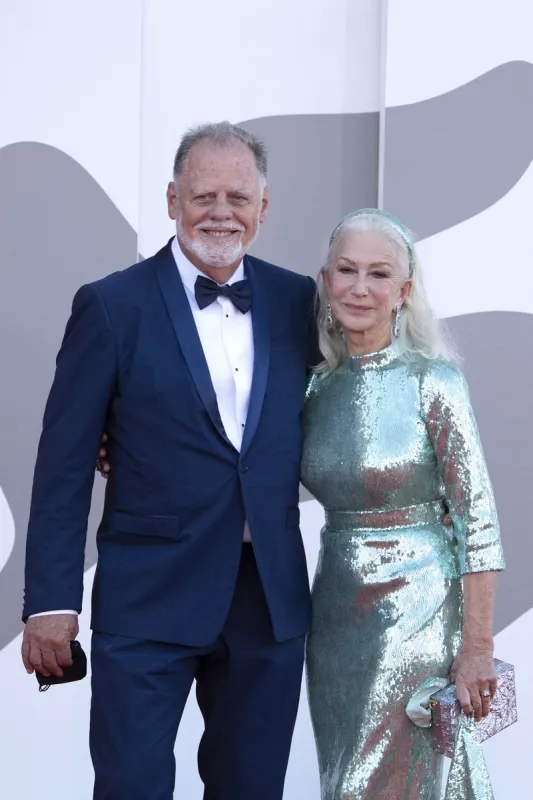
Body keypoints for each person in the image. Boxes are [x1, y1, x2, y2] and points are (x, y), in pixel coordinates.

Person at [21, 122, 320, 800]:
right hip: (148, 594)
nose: (221, 212)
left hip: (264, 600)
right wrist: (51, 603)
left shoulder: (299, 301)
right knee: (131, 787)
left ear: (264, 208)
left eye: (238, 197)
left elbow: (336, 419)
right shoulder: (111, 305)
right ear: (171, 200)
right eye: (202, 194)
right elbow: (64, 463)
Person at [301, 209, 505, 799]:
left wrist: (477, 647)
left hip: (419, 613)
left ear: (404, 291)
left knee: (404, 781)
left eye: (379, 274)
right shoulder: (313, 387)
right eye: (346, 270)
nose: (360, 288)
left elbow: (479, 522)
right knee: (345, 780)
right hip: (335, 617)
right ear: (325, 280)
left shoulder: (433, 381)